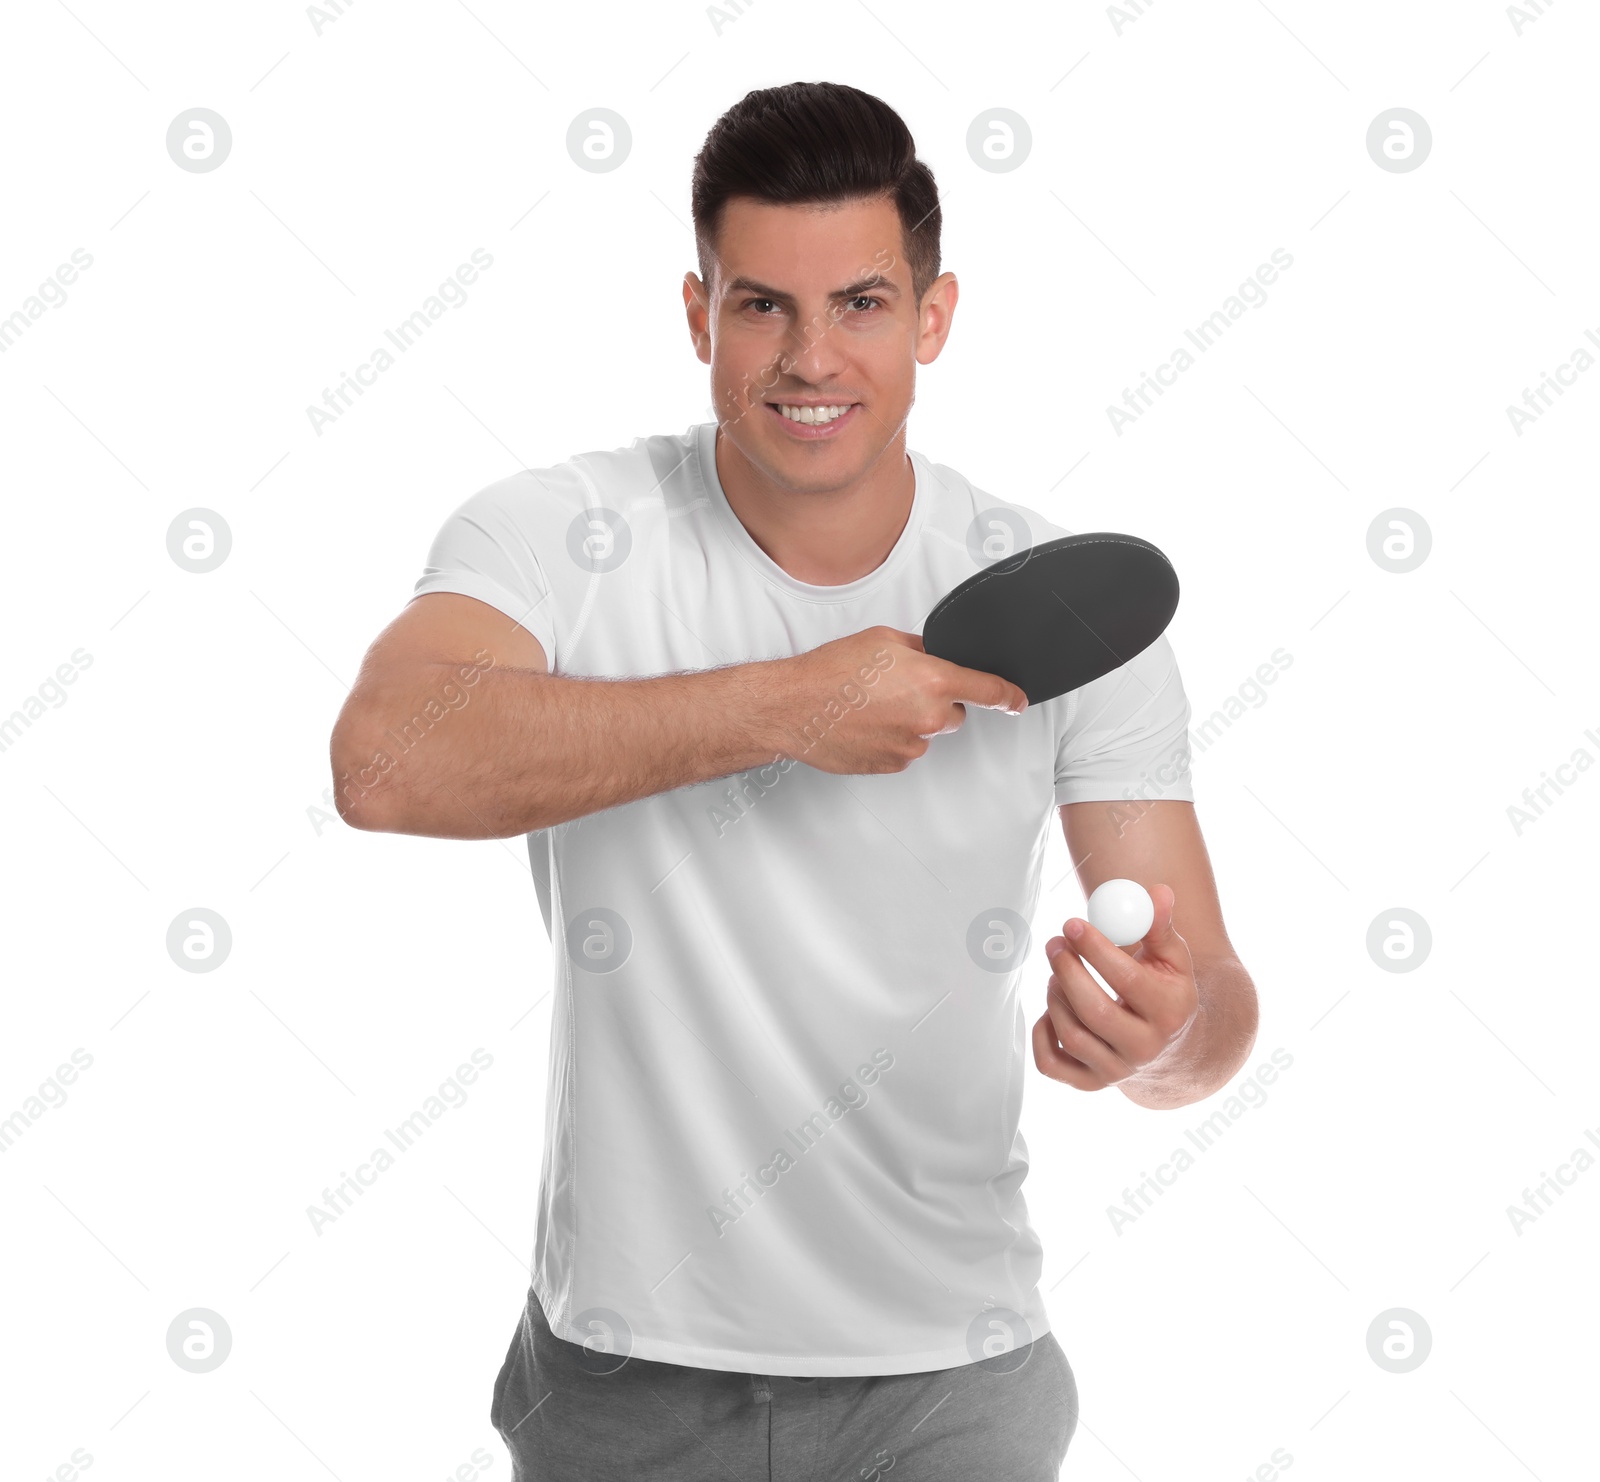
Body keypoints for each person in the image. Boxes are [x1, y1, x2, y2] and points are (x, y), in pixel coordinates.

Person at [330, 79, 1258, 1482]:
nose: (811, 355)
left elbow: (1215, 1013)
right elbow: (386, 762)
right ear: (699, 314)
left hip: (956, 1384)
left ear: (934, 318)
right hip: (622, 1382)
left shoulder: (1059, 604)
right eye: (762, 304)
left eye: (864, 304)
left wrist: (1163, 1037)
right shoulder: (561, 534)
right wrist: (788, 705)